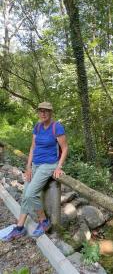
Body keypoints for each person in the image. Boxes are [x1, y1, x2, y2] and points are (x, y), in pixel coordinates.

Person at [3, 102, 68, 241]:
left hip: (48, 165)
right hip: (35, 165)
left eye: (46, 111)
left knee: (31, 193)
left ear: (51, 113)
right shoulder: (37, 127)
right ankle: (20, 227)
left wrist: (59, 167)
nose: (43, 113)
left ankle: (43, 221)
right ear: (38, 113)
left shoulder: (57, 127)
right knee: (26, 195)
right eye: (41, 111)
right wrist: (28, 167)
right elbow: (33, 147)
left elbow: (65, 148)